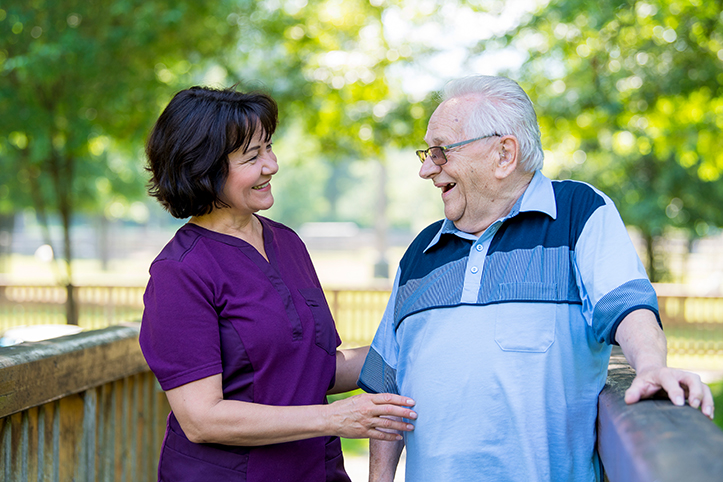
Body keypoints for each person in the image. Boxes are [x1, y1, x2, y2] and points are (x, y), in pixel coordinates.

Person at [357, 75, 714, 482]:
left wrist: (651, 366)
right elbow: (386, 395)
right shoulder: (420, 252)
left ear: (504, 154)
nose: (426, 169)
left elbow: (626, 304)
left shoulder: (578, 212)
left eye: (440, 152)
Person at [139, 85, 417, 482]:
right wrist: (333, 417)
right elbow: (202, 419)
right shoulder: (180, 272)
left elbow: (317, 369)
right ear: (202, 168)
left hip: (316, 471)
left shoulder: (287, 242)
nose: (271, 164)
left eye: (268, 148)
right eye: (252, 157)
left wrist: (415, 347)